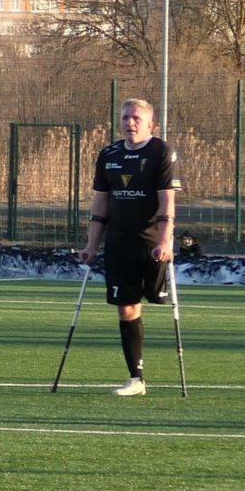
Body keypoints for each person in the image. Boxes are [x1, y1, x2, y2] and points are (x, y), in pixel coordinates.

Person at [80, 97, 179, 397]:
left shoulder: (161, 151)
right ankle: (137, 378)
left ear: (150, 124)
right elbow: (101, 203)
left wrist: (165, 239)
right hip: (119, 243)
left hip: (151, 242)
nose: (129, 123)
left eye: (136, 118)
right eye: (125, 118)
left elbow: (167, 199)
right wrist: (91, 246)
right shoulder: (108, 154)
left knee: (154, 298)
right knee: (127, 307)